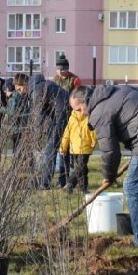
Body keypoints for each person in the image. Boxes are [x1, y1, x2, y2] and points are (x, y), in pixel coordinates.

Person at [70, 85, 138, 248]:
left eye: (79, 109)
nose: (81, 113)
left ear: (86, 101)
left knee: (132, 187)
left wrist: (108, 175)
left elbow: (110, 151)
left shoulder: (99, 112)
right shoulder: (116, 89)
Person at [15, 73, 69, 189]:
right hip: (56, 115)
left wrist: (36, 136)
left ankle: (45, 183)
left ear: (24, 84)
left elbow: (38, 115)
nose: (20, 92)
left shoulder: (37, 91)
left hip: (62, 115)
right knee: (59, 147)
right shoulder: (39, 86)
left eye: (19, 89)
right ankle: (63, 181)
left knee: (51, 149)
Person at [53, 54, 81, 186]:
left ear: (67, 69)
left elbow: (79, 96)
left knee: (73, 149)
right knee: (62, 149)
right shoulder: (55, 80)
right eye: (58, 69)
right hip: (58, 116)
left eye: (62, 69)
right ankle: (63, 179)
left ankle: (75, 178)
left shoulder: (74, 80)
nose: (60, 71)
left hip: (72, 117)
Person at [59, 100, 97, 193]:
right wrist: (93, 142)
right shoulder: (89, 117)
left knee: (82, 168)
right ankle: (70, 184)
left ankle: (83, 188)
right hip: (84, 147)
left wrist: (63, 147)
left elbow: (66, 134)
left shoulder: (72, 118)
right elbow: (93, 131)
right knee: (80, 168)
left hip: (74, 148)